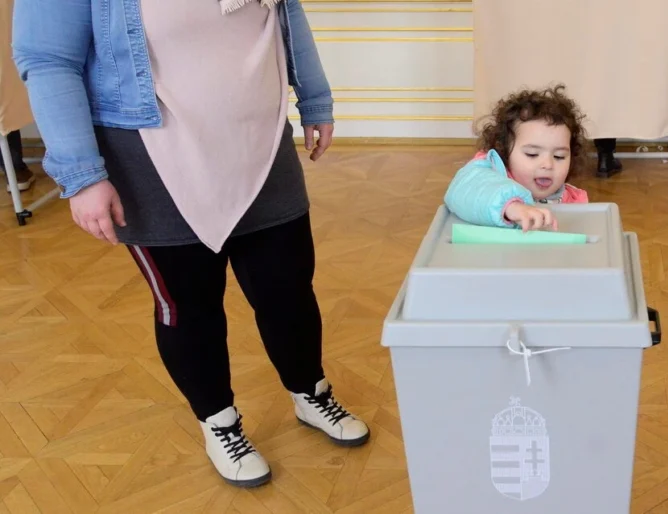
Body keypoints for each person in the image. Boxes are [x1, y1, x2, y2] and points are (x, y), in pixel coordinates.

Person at [13, 0, 370, 489]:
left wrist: (315, 99)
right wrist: (82, 174)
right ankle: (219, 421)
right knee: (188, 304)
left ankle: (311, 393)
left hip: (260, 139)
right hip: (150, 151)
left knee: (287, 288)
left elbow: (287, 13)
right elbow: (48, 59)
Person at [444, 85, 589, 231]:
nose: (548, 164)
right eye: (532, 154)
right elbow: (463, 191)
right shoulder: (490, 171)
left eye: (559, 156)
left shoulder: (574, 200)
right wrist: (510, 206)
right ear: (505, 150)